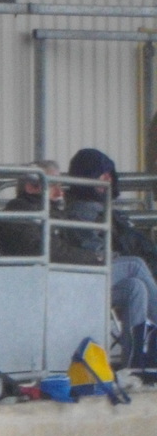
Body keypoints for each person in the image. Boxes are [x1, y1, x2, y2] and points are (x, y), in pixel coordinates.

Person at [61, 147, 157, 368]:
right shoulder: (81, 210)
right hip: (84, 278)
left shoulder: (103, 208)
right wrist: (117, 255)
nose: (107, 180)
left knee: (136, 287)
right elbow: (90, 250)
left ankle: (135, 364)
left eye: (109, 175)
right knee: (135, 265)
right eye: (100, 175)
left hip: (101, 276)